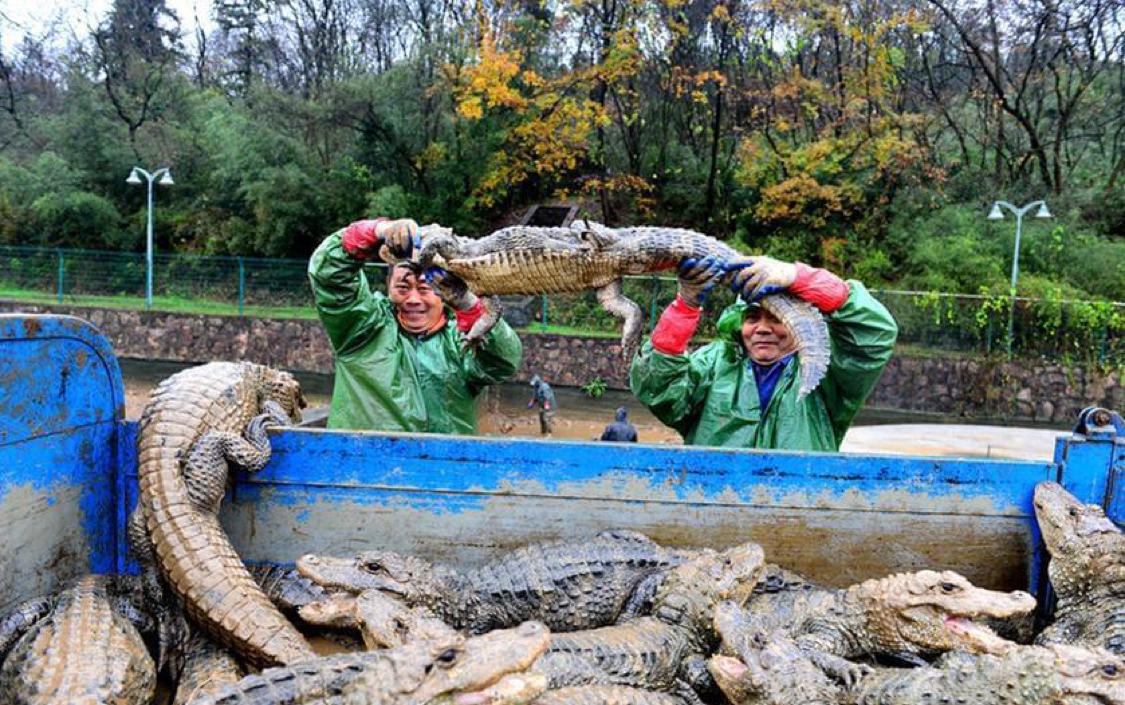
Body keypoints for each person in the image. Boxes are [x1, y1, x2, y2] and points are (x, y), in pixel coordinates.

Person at [630, 255, 897, 451]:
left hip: (799, 508)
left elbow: (874, 336)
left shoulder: (826, 374)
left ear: (800, 326)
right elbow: (659, 389)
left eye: (776, 319)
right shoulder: (716, 362)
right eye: (752, 318)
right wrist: (685, 305)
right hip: (714, 503)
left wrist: (801, 278)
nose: (762, 329)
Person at [308, 217, 522, 432]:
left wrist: (470, 308)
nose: (413, 299)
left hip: (443, 463)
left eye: (425, 288)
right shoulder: (361, 328)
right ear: (388, 287)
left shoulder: (461, 340)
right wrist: (379, 230)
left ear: (444, 292)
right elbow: (330, 276)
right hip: (361, 462)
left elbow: (503, 361)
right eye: (403, 287)